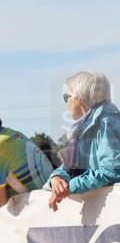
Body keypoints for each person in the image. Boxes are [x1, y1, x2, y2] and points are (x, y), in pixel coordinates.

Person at [47, 72, 120, 211]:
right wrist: (56, 179)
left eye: (66, 97)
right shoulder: (82, 130)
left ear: (78, 99)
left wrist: (70, 187)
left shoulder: (107, 123)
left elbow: (112, 172)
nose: (66, 103)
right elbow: (66, 169)